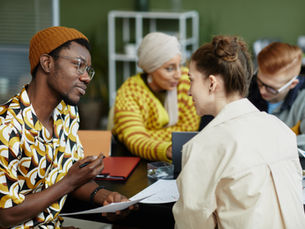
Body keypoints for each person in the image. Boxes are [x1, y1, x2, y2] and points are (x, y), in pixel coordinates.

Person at [0, 26, 133, 229]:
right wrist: (69, 182)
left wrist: (107, 197)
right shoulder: (6, 125)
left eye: (88, 70)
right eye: (78, 65)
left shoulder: (67, 114)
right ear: (47, 63)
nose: (86, 77)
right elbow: (5, 215)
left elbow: (70, 176)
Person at [173, 35, 305, 228]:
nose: (189, 91)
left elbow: (192, 225)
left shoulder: (203, 146)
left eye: (191, 80)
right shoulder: (281, 130)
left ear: (211, 83)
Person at [112, 32, 200, 162]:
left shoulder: (186, 81)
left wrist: (145, 135)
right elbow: (135, 140)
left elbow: (188, 130)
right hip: (137, 161)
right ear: (150, 69)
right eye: (169, 69)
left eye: (180, 65)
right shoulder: (130, 91)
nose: (178, 74)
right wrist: (166, 148)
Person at [248, 42, 305, 150]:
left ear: (292, 84)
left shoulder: (302, 100)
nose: (262, 90)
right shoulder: (248, 90)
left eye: (271, 88)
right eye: (260, 82)